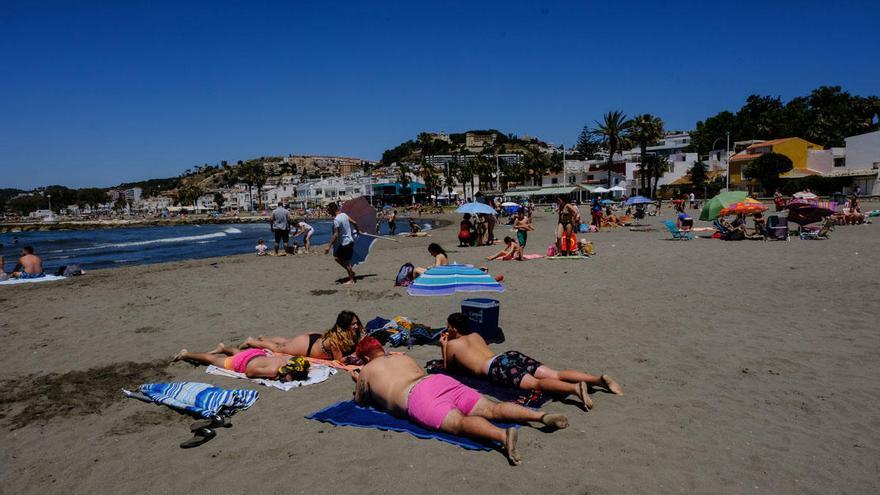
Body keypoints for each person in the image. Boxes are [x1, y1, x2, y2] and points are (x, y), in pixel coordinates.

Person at [350, 336, 569, 465]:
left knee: (459, 423)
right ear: (382, 348)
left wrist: (358, 377)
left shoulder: (367, 370)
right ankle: (540, 416)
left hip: (417, 396)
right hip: (438, 381)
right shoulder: (403, 357)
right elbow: (419, 373)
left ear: (366, 357)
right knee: (492, 409)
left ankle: (502, 435)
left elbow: (360, 401)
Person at [440, 313, 623, 411]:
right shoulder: (476, 335)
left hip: (496, 367)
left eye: (448, 327)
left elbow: (448, 369)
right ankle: (599, 380)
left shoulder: (453, 344)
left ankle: (575, 389)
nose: (447, 330)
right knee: (555, 374)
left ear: (454, 328)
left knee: (537, 384)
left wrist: (444, 345)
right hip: (508, 355)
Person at [239, 310, 363, 361]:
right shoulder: (336, 341)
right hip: (307, 346)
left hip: (314, 340)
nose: (356, 326)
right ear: (345, 325)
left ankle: (264, 339)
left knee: (286, 342)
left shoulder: (349, 334)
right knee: (279, 348)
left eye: (356, 323)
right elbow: (339, 360)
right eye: (353, 324)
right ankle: (252, 342)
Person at [174, 344, 308, 382]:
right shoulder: (273, 371)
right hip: (241, 362)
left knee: (238, 352)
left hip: (256, 353)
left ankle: (223, 348)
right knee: (212, 359)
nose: (291, 381)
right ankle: (186, 354)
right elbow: (249, 372)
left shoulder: (285, 360)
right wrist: (270, 377)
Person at [324, 202, 360, 285]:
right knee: (337, 257)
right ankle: (351, 273)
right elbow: (354, 223)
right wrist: (358, 231)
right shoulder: (344, 215)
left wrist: (328, 246)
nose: (328, 212)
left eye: (329, 210)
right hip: (348, 242)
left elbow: (336, 234)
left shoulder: (336, 220)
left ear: (332, 209)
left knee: (347, 263)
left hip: (346, 243)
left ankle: (351, 280)